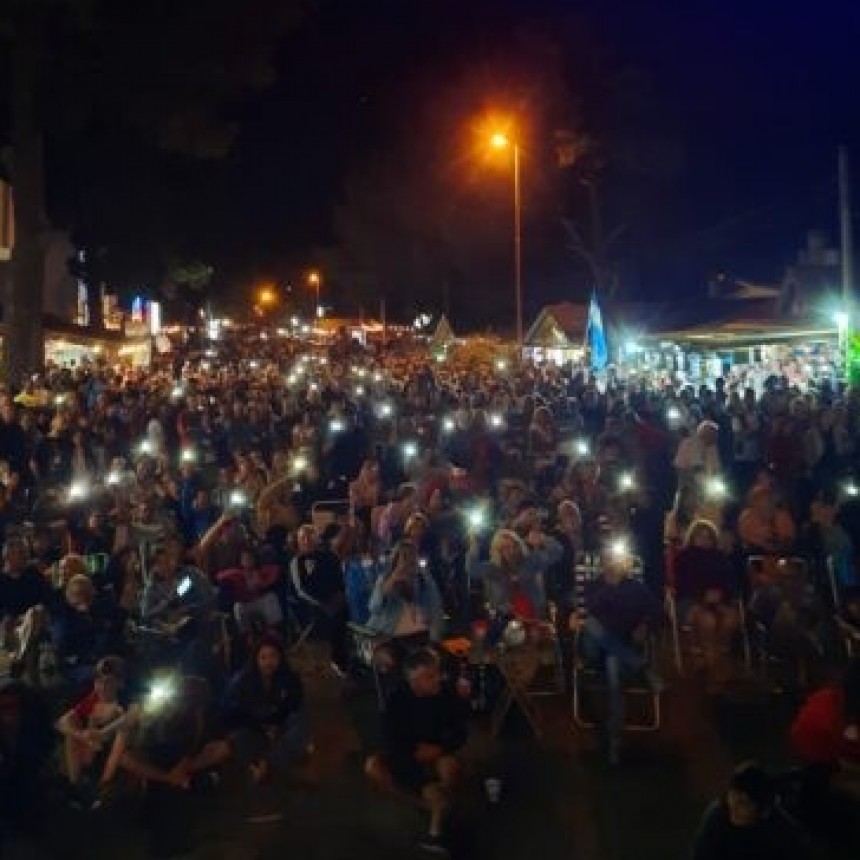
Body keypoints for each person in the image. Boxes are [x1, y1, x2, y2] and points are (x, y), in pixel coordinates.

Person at [365, 649, 470, 856]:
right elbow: (391, 743)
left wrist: (440, 748)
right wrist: (421, 782)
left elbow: (461, 733)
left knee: (449, 765)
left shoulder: (446, 693)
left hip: (439, 753)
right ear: (414, 681)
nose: (437, 679)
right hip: (408, 757)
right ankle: (431, 805)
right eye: (430, 676)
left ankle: (438, 813)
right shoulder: (396, 700)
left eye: (437, 673)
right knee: (372, 766)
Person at [570, 541, 662, 763]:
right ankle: (641, 666)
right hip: (594, 649)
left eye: (615, 560)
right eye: (607, 560)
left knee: (613, 671)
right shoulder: (595, 586)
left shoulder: (637, 588)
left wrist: (645, 625)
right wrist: (610, 586)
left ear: (624, 563)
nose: (611, 564)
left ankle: (614, 741)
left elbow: (657, 612)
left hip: (621, 646)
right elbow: (591, 609)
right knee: (591, 624)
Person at [222, 635, 309, 784]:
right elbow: (234, 712)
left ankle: (265, 763)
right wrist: (261, 728)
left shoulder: (289, 678)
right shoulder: (243, 680)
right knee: (236, 739)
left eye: (273, 656)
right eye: (263, 657)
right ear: (256, 660)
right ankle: (272, 759)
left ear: (280, 658)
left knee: (300, 724)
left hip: (281, 726)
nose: (269, 662)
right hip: (254, 729)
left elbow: (294, 704)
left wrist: (276, 724)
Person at [691, 762, 813, 860]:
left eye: (745, 803)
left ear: (762, 811)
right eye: (733, 795)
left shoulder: (782, 834)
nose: (734, 805)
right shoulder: (717, 817)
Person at [673, 520, 740, 689]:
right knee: (707, 620)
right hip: (691, 600)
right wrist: (702, 595)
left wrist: (722, 595)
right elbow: (682, 584)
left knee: (730, 619)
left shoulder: (721, 558)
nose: (704, 540)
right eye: (700, 536)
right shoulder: (683, 557)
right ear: (692, 537)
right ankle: (714, 670)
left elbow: (730, 582)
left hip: (719, 600)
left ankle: (714, 659)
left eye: (708, 537)